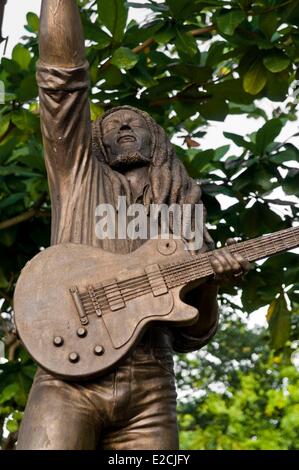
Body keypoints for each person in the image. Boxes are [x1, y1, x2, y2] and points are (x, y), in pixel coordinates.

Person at [16, 0, 250, 450]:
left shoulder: (182, 214)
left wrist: (210, 283)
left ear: (158, 141)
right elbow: (61, 84)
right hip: (68, 380)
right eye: (113, 124)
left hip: (152, 386)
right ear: (94, 143)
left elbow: (194, 335)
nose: (124, 127)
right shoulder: (80, 178)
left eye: (135, 123)